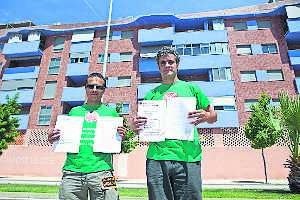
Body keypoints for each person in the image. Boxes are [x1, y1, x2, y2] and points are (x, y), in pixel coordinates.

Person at [133, 46, 217, 200]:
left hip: (188, 157)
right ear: (159, 67)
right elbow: (140, 126)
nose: (167, 65)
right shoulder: (151, 94)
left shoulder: (192, 88)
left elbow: (213, 116)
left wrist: (206, 115)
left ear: (177, 64)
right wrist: (135, 126)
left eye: (170, 62)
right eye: (163, 63)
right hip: (157, 157)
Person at [48, 72, 126, 200]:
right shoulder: (74, 112)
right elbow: (61, 138)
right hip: (72, 172)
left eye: (99, 87)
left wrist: (122, 136)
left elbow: (118, 143)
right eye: (91, 86)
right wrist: (53, 138)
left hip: (104, 171)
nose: (94, 89)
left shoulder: (112, 113)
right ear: (85, 88)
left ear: (104, 90)